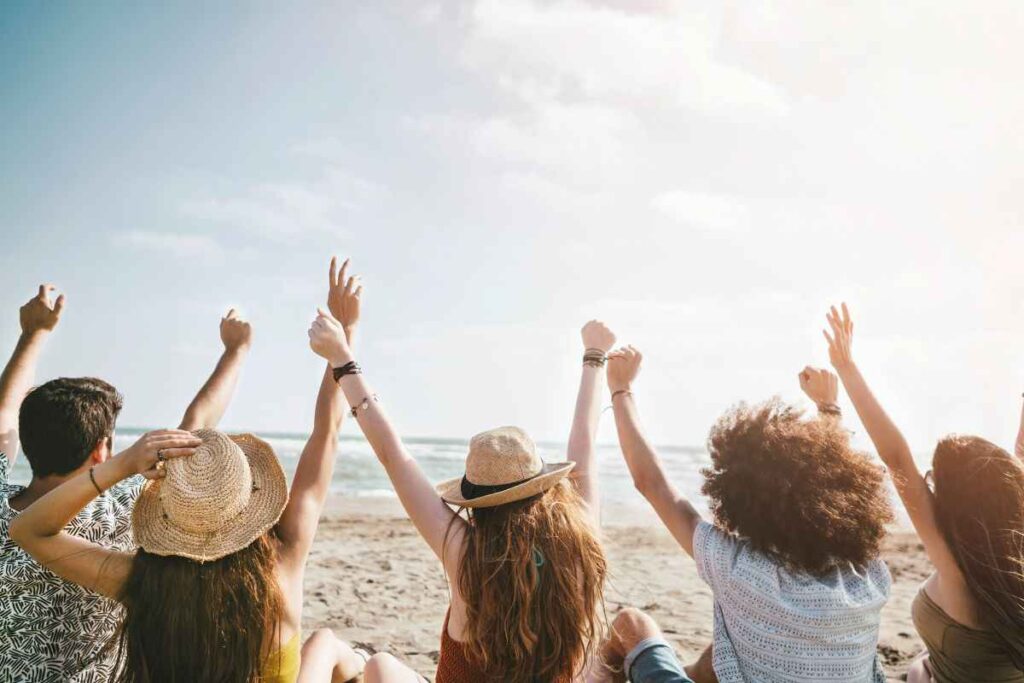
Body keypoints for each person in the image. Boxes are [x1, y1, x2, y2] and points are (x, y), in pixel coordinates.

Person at [9, 258, 368, 683]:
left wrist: (120, 465)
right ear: (250, 501)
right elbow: (327, 433)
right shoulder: (282, 565)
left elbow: (28, 530)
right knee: (329, 645)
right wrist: (344, 339)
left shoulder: (142, 582)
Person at [307, 305, 613, 683]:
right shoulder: (579, 546)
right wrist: (594, 356)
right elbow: (584, 446)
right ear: (545, 488)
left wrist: (341, 359)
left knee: (379, 666)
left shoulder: (467, 556)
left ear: (479, 505)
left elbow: (393, 456)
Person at [0, 285, 253, 682]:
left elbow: (4, 413)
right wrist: (236, 350)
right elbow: (196, 426)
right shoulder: (126, 508)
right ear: (102, 450)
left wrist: (33, 334)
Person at [603, 345, 893, 683]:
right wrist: (829, 409)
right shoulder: (869, 576)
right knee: (725, 648)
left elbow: (652, 483)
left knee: (631, 624)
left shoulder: (739, 569)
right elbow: (832, 482)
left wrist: (620, 388)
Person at [822, 304, 1024, 683]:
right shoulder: (1017, 548)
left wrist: (846, 368)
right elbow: (1021, 454)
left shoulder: (956, 568)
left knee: (919, 669)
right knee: (921, 665)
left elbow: (897, 458)